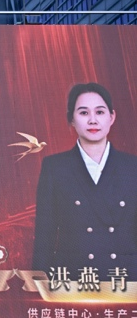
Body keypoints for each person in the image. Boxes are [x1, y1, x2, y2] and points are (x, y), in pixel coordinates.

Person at [33, 82, 137, 276]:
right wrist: (40, 283)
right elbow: (44, 236)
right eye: (83, 113)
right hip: (73, 279)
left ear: (112, 117)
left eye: (100, 112)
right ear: (71, 119)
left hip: (125, 279)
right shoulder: (55, 167)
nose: (92, 120)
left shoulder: (132, 167)